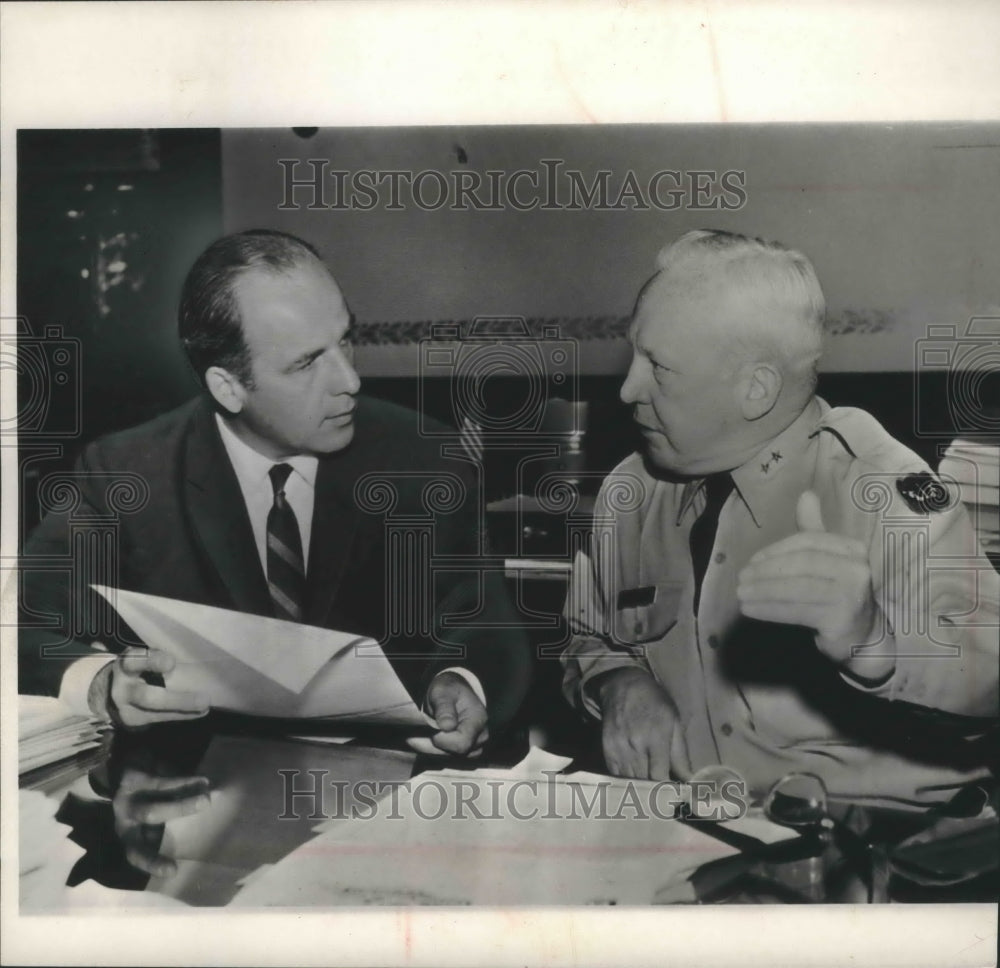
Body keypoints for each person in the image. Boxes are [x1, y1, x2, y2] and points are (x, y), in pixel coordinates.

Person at [19, 229, 531, 756]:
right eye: (307, 362)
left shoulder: (426, 460)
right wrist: (102, 681)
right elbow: (25, 628)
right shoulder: (124, 475)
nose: (349, 379)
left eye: (346, 340)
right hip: (196, 792)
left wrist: (461, 681)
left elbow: (481, 619)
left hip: (388, 791)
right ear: (229, 387)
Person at [562, 229, 999, 806]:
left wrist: (875, 642)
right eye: (634, 353)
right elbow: (585, 634)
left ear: (756, 390)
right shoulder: (630, 492)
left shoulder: (877, 485)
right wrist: (616, 681)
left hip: (873, 847)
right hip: (695, 837)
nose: (626, 389)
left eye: (658, 367)